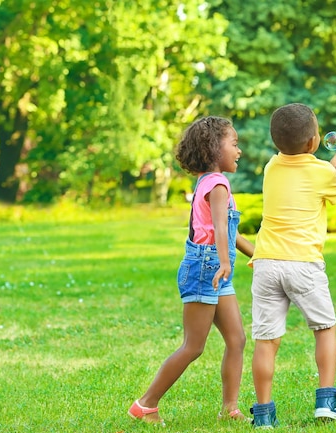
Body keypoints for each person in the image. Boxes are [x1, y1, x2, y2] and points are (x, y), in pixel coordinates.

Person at [128, 116, 255, 426]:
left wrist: (259, 254)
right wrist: (225, 263)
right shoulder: (219, 184)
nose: (239, 151)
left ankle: (229, 408)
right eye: (234, 144)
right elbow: (219, 231)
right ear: (214, 148)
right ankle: (146, 404)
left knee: (236, 339)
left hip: (214, 268)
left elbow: (227, 227)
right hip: (208, 267)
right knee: (193, 345)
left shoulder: (209, 182)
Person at [248, 103, 336, 428]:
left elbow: (302, 173)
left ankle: (264, 415)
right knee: (324, 328)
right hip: (303, 264)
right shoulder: (322, 172)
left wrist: (330, 167)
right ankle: (326, 400)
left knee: (266, 341)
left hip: (267, 263)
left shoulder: (271, 166)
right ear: (313, 141)